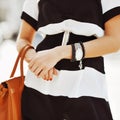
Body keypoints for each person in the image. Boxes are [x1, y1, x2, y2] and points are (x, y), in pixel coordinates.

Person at [16, 0, 120, 120]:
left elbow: (115, 41)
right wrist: (37, 61)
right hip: (39, 86)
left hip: (86, 86)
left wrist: (59, 52)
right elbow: (22, 39)